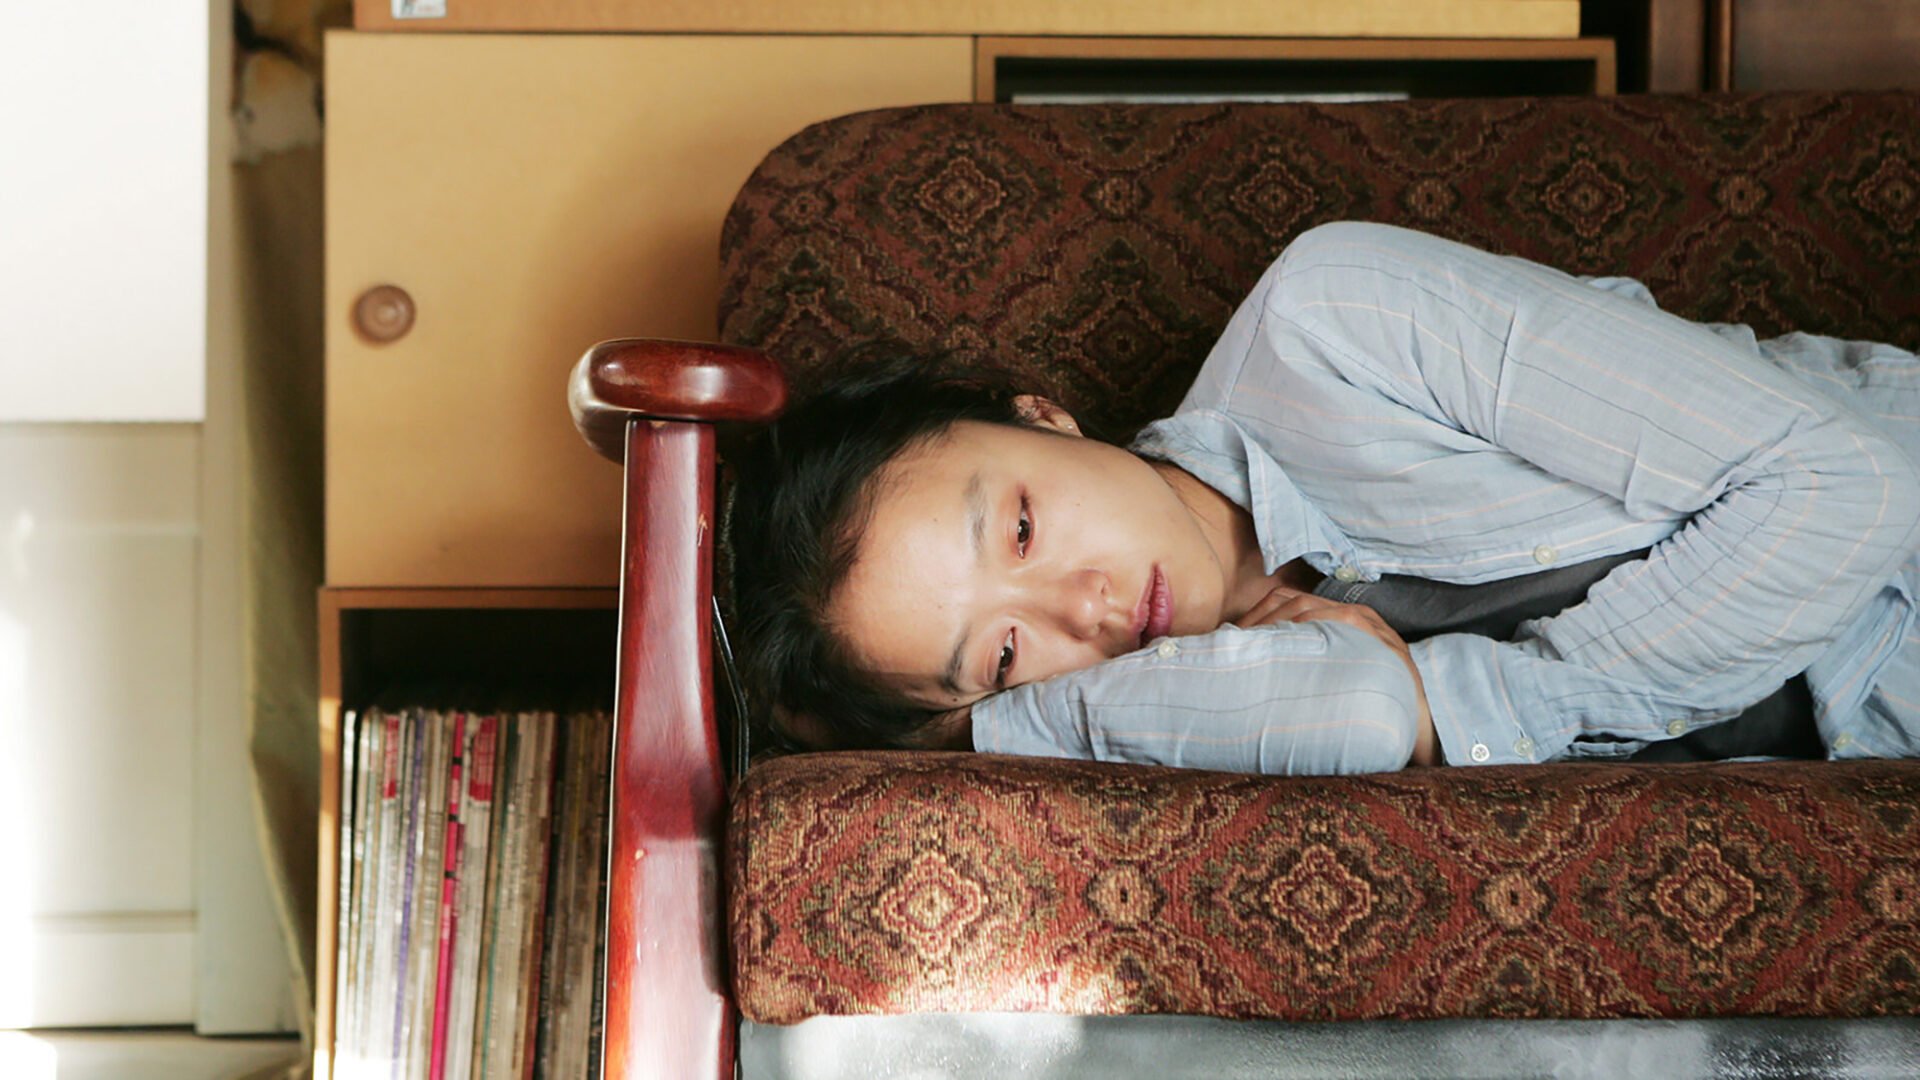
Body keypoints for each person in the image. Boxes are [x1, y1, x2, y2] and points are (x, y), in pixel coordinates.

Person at [724, 221, 1920, 775]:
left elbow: (1848, 486)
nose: (1083, 607)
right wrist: (971, 729)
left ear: (1039, 411)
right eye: (1002, 655)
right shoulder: (1213, 701)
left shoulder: (1332, 318)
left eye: (1023, 527)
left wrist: (1465, 708)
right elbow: (1356, 712)